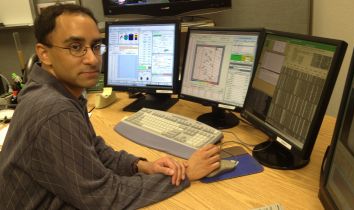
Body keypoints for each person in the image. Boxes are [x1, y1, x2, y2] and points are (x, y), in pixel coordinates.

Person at [0, 4, 220, 210]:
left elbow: (93, 148)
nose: (93, 59)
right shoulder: (55, 109)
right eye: (76, 47)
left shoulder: (51, 89)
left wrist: (142, 166)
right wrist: (186, 174)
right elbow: (103, 196)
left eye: (96, 46)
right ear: (44, 54)